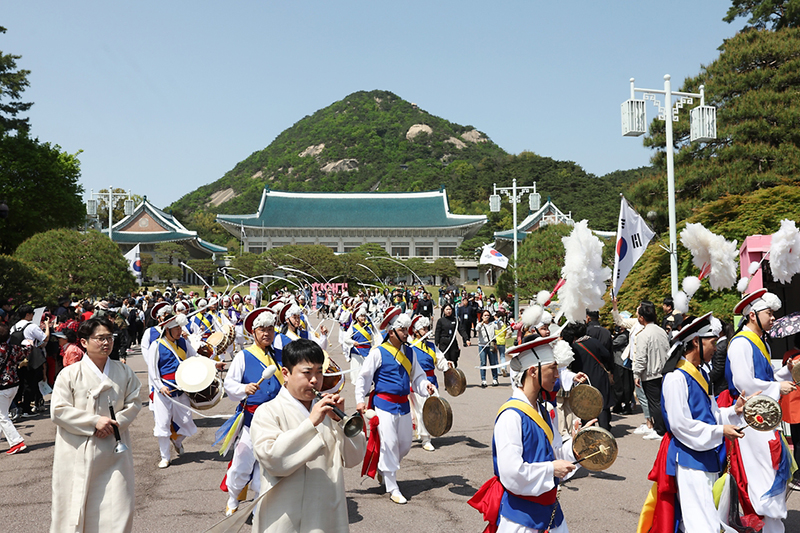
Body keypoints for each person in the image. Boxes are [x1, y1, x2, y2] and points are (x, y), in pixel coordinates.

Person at [469, 335, 587, 533]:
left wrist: (578, 445)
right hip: (521, 520)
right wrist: (550, 470)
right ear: (533, 371)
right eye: (553, 368)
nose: (558, 375)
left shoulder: (545, 409)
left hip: (552, 514)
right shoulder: (510, 416)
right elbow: (511, 473)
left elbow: (555, 454)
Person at [641, 313, 745, 533]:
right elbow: (680, 425)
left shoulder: (701, 373)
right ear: (696, 342)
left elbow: (710, 414)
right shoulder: (676, 378)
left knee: (705, 519)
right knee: (701, 522)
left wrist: (733, 412)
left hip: (705, 452)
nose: (716, 349)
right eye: (713, 343)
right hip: (689, 458)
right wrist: (720, 430)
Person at [250, 338, 366, 532]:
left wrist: (340, 421)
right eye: (307, 373)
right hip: (284, 516)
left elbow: (354, 459)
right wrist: (310, 423)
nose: (315, 380)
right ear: (285, 374)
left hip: (325, 513)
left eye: (319, 372)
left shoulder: (329, 412)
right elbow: (272, 459)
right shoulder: (268, 411)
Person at [50, 316, 142, 533]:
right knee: (74, 506)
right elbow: (58, 411)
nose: (106, 343)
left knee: (118, 506)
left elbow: (134, 401)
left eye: (109, 337)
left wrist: (116, 423)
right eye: (99, 338)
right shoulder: (69, 374)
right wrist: (94, 422)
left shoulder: (123, 371)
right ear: (84, 342)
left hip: (113, 450)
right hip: (77, 449)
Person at [723, 289, 796, 532]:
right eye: (769, 313)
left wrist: (785, 371)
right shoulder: (741, 342)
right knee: (765, 468)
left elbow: (764, 377)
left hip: (762, 417)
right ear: (752, 315)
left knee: (771, 466)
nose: (773, 317)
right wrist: (777, 387)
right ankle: (766, 521)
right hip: (753, 419)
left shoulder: (756, 340)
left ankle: (771, 521)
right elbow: (745, 384)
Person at [355, 306, 436, 504]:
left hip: (404, 406)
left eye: (407, 330)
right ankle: (393, 486)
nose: (406, 334)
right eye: (402, 330)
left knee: (405, 445)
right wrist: (360, 399)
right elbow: (363, 378)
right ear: (391, 331)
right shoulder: (378, 352)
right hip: (384, 405)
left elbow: (417, 377)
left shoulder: (410, 352)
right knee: (390, 444)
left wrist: (426, 386)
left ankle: (385, 469)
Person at [221, 307, 284, 516]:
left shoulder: (278, 356)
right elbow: (229, 383)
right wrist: (243, 388)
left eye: (270, 329)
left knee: (266, 466)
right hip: (251, 420)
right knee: (242, 461)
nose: (267, 333)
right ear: (254, 332)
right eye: (262, 329)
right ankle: (233, 498)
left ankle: (258, 507)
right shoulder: (244, 356)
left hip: (275, 421)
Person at [409, 315, 453, 451]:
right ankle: (425, 439)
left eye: (427, 328)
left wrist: (447, 365)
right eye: (423, 329)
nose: (426, 330)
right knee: (423, 411)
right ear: (416, 331)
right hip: (417, 383)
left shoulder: (432, 346)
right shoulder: (410, 348)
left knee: (434, 409)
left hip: (432, 381)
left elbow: (440, 360)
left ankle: (429, 432)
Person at [561, 321, 614, 431]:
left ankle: (588, 430)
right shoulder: (594, 342)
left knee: (585, 405)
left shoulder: (573, 347)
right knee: (602, 403)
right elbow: (606, 355)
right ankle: (605, 429)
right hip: (599, 376)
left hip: (582, 378)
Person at [633, 301, 670, 440]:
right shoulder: (661, 331)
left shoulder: (643, 334)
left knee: (654, 403)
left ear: (642, 318)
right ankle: (664, 427)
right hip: (664, 371)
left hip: (650, 374)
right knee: (663, 402)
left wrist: (637, 373)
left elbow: (641, 357)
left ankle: (660, 430)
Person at [0, 322, 32, 454]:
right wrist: (29, 342)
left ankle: (17, 442)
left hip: (2, 387)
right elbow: (27, 350)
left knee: (2, 416)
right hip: (14, 384)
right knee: (2, 414)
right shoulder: (13, 348)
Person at [779, 334, 800, 489]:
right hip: (797, 398)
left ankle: (797, 475)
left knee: (796, 439)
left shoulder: (788, 355)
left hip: (792, 400)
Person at [477, 310, 501, 388]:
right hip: (482, 345)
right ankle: (483, 380)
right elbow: (477, 329)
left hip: (491, 344)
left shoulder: (492, 324)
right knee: (483, 362)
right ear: (482, 316)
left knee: (493, 362)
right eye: (485, 315)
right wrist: (482, 322)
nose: (486, 317)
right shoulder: (480, 324)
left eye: (488, 315)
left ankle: (495, 379)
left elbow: (499, 327)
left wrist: (498, 321)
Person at [434, 303, 460, 367]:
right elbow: (437, 332)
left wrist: (466, 339)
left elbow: (461, 329)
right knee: (445, 362)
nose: (448, 311)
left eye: (450, 309)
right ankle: (447, 375)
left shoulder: (455, 320)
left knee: (454, 360)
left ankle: (454, 375)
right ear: (444, 311)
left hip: (452, 342)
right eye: (447, 309)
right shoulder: (441, 321)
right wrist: (436, 343)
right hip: (444, 343)